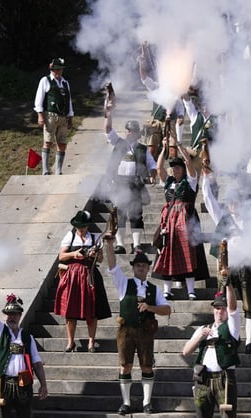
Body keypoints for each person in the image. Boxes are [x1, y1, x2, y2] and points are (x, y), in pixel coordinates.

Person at [0, 261, 48, 418]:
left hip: (24, 382)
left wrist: (43, 384)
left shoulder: (28, 337)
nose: (11, 317)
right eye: (9, 314)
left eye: (15, 314)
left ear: (20, 316)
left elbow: (36, 363)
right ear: (5, 316)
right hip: (2, 383)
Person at [104, 238, 171, 415]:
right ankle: (126, 402)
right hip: (126, 331)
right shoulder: (124, 283)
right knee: (125, 366)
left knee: (147, 366)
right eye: (138, 265)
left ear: (148, 268)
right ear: (133, 268)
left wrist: (150, 307)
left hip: (146, 331)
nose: (141, 268)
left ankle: (146, 402)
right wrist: (109, 246)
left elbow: (167, 309)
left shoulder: (154, 289)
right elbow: (112, 266)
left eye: (144, 265)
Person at [202, 169, 251, 354]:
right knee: (225, 304)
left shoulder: (250, 220)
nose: (234, 205)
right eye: (231, 202)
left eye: (236, 202)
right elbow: (208, 199)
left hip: (245, 264)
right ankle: (229, 337)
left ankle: (249, 341)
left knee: (248, 305)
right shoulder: (222, 217)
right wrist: (205, 179)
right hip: (227, 267)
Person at [182, 284, 241, 418]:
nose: (219, 311)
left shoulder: (232, 327)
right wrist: (199, 337)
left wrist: (229, 285)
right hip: (203, 379)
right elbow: (186, 351)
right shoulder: (203, 329)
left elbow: (234, 307)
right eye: (216, 308)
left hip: (224, 379)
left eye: (222, 308)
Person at [152, 141, 210, 300]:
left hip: (186, 221)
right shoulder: (168, 182)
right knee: (166, 252)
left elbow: (189, 162)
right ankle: (167, 290)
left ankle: (191, 290)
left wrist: (178, 146)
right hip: (169, 221)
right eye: (173, 167)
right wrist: (163, 149)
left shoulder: (190, 181)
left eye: (178, 167)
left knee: (188, 253)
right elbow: (158, 169)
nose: (174, 169)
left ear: (183, 169)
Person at [104, 101, 157, 254]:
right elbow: (107, 129)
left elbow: (152, 165)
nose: (129, 133)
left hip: (135, 184)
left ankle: (137, 245)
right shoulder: (118, 143)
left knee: (136, 215)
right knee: (120, 214)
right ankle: (120, 244)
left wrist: (152, 174)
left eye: (132, 131)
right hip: (119, 183)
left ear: (136, 133)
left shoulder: (142, 148)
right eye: (128, 130)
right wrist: (109, 112)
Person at [54, 210, 111, 352]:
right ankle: (70, 341)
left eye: (83, 226)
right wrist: (74, 254)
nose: (81, 229)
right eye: (79, 226)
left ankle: (91, 341)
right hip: (72, 275)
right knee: (70, 310)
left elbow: (101, 260)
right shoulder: (70, 236)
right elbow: (61, 256)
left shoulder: (95, 237)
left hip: (90, 274)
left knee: (92, 310)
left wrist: (95, 254)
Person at [33, 57, 74, 175]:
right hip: (50, 115)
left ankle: (58, 170)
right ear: (52, 69)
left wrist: (70, 117)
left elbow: (69, 101)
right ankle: (45, 170)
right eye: (56, 70)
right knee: (48, 141)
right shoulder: (45, 80)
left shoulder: (65, 83)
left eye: (60, 69)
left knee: (62, 143)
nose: (58, 72)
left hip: (63, 117)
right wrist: (40, 115)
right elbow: (38, 99)